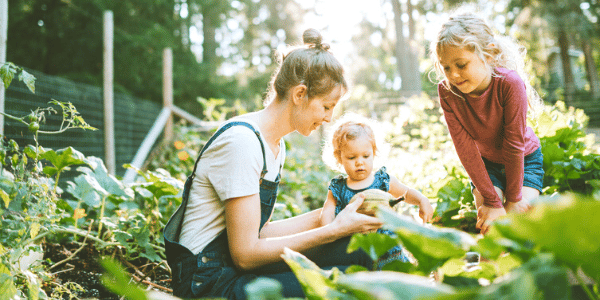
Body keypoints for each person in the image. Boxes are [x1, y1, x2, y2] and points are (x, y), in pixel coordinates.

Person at [163, 29, 384, 299]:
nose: (328, 119)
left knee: (363, 249)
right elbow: (245, 254)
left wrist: (333, 213)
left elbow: (259, 231)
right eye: (326, 107)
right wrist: (332, 230)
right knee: (346, 284)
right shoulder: (243, 143)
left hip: (233, 268)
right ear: (300, 94)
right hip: (209, 284)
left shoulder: (273, 144)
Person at [430, 11, 545, 234]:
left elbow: (514, 146)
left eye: (461, 65)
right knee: (491, 227)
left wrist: (512, 200)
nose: (453, 75)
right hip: (486, 166)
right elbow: (465, 149)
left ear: (489, 54)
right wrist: (492, 202)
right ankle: (487, 269)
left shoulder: (509, 84)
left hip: (524, 159)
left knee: (516, 226)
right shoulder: (447, 92)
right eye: (446, 68)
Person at [320, 113, 434, 269]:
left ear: (374, 153)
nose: (359, 162)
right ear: (339, 158)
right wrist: (329, 232)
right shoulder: (338, 187)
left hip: (389, 251)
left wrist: (421, 200)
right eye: (352, 157)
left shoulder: (382, 181)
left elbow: (405, 192)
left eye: (366, 156)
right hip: (356, 253)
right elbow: (327, 212)